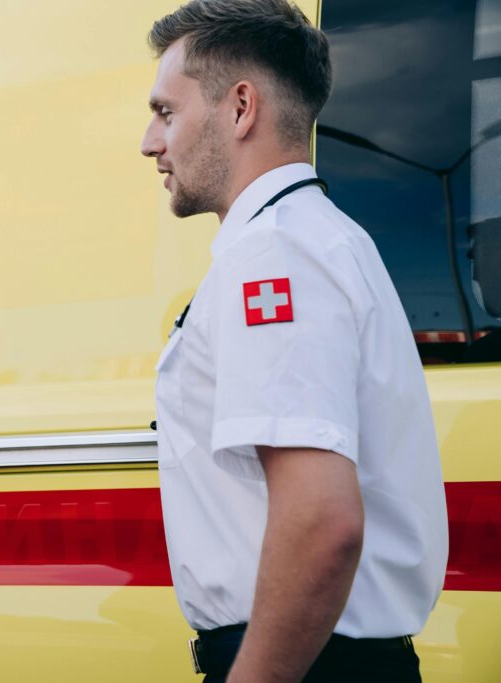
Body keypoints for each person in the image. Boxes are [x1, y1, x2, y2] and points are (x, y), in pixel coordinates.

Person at [140, 2, 448, 682]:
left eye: (166, 112)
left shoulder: (273, 252)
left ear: (240, 106)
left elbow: (322, 522)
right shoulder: (324, 237)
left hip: (305, 661)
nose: (149, 142)